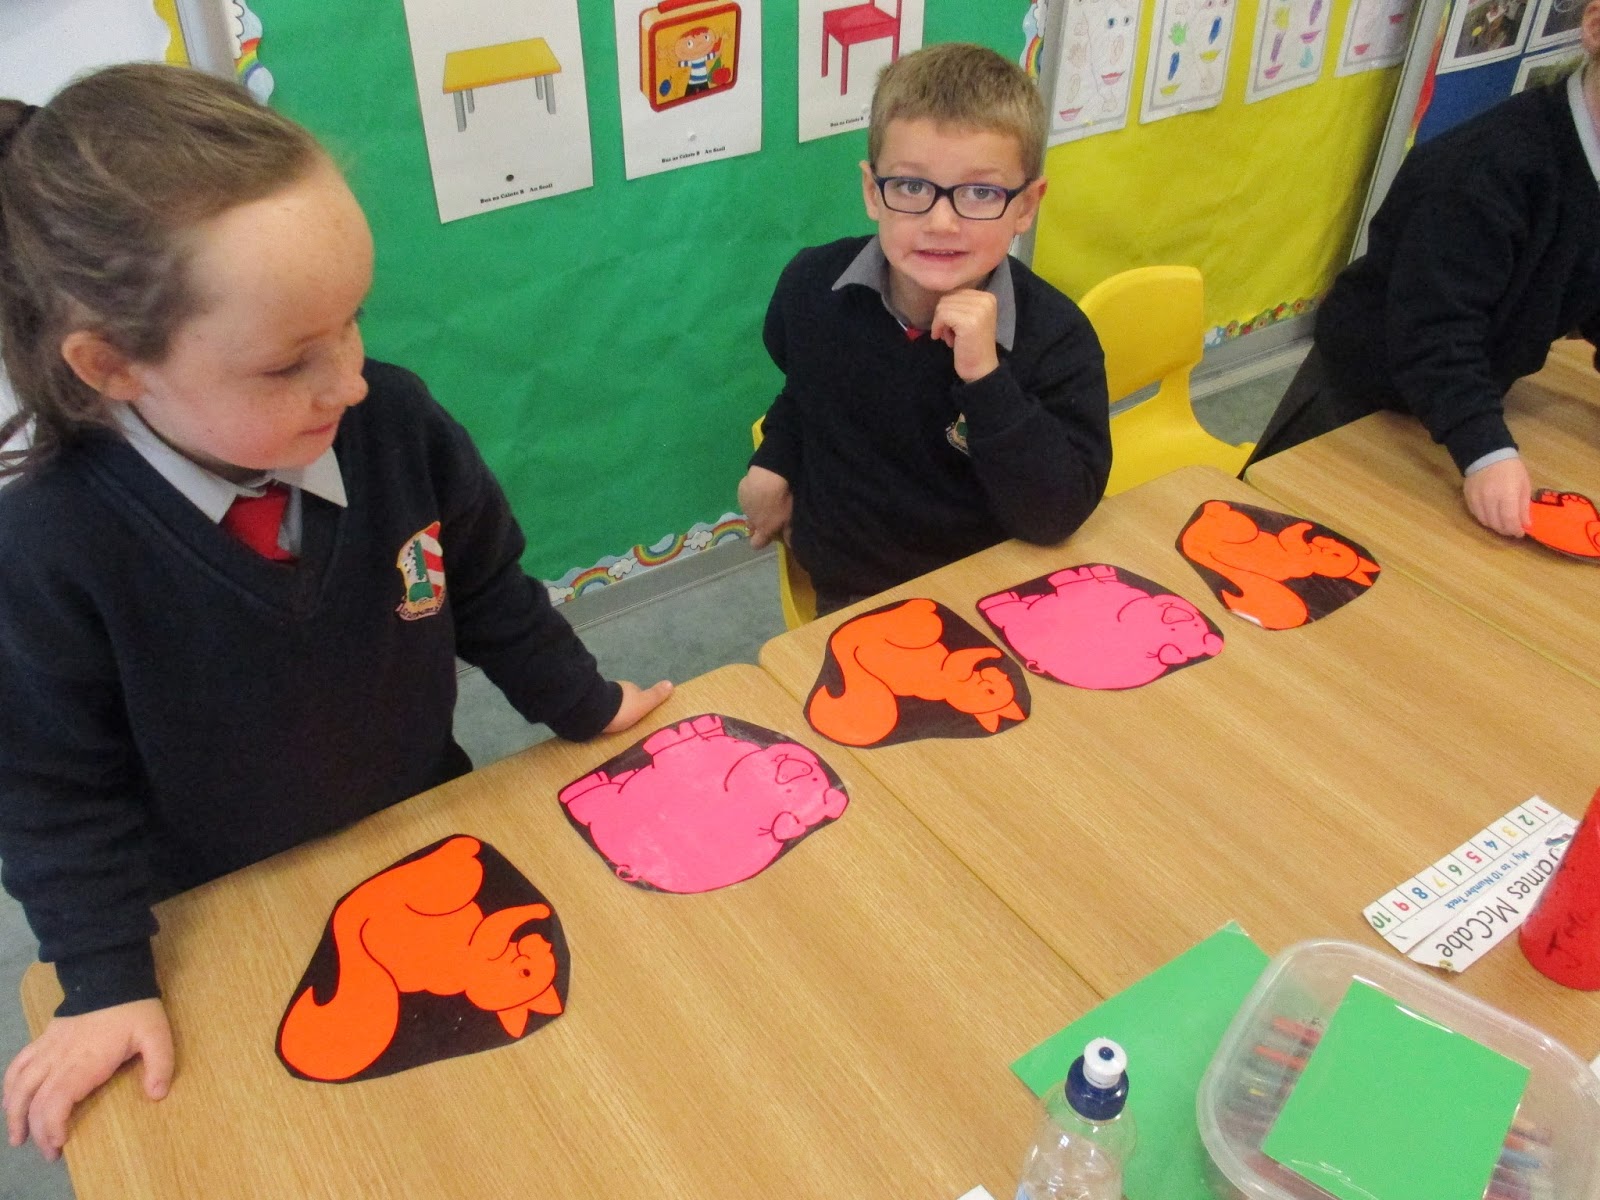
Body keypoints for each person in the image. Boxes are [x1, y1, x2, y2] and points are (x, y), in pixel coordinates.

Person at [0, 64, 672, 1158]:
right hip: (224, 913)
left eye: (352, 323)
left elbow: (486, 588)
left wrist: (583, 702)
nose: (349, 380)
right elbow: (49, 794)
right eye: (287, 364)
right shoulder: (45, 547)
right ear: (112, 365)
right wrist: (105, 981)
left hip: (423, 839)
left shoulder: (392, 420)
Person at [738, 42, 1110, 615]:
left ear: (1026, 205)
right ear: (873, 192)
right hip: (860, 592)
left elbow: (1055, 515)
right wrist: (776, 458)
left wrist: (986, 378)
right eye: (912, 187)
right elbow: (811, 388)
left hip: (1005, 588)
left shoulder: (1057, 337)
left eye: (981, 192)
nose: (942, 222)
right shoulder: (812, 288)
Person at [1248, 0, 1600, 538]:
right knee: (1291, 545)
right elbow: (1433, 328)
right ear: (1595, 27)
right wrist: (1485, 449)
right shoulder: (1491, 165)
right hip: (1364, 397)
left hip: (1463, 397)